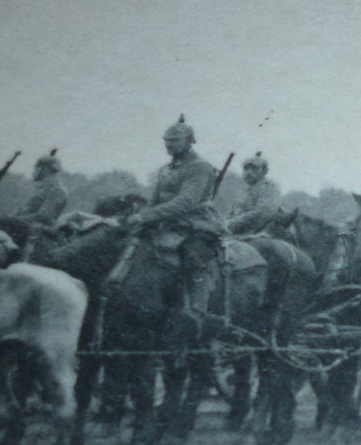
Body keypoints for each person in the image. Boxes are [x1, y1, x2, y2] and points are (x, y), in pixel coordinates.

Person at [120, 115, 221, 317]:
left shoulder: (200, 166)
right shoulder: (165, 169)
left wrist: (145, 216)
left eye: (174, 141)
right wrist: (141, 217)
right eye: (167, 141)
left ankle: (196, 311)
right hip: (166, 223)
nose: (169, 145)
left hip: (196, 223)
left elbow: (186, 202)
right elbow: (154, 200)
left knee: (193, 257)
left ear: (189, 141)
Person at [223, 152, 282, 235]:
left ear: (264, 171)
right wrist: (223, 223)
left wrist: (231, 224)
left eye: (254, 169)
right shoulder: (245, 191)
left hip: (257, 234)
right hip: (236, 231)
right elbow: (232, 213)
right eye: (246, 169)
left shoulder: (269, 189)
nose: (249, 172)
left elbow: (261, 213)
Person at [14, 152, 68, 231]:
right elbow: (24, 209)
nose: (35, 170)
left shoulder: (57, 190)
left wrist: (14, 220)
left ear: (46, 169)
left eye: (37, 167)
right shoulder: (44, 188)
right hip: (25, 228)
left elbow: (43, 217)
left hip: (36, 232)